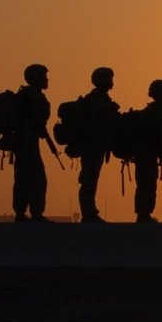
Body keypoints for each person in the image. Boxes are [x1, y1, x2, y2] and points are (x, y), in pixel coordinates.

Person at [73, 67, 119, 223]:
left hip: (97, 146)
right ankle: (88, 212)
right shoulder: (95, 101)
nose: (111, 81)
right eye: (108, 77)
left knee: (92, 178)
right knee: (89, 179)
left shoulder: (102, 99)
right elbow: (99, 124)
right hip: (92, 146)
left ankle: (90, 211)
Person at [128, 80, 162, 223]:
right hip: (147, 155)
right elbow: (156, 139)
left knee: (145, 184)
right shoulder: (155, 113)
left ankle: (143, 213)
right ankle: (143, 214)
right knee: (146, 184)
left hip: (145, 154)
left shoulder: (153, 111)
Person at [11, 64, 52, 222]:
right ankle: (32, 213)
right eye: (44, 76)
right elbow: (29, 120)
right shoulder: (29, 97)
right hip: (25, 143)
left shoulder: (31, 96)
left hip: (28, 142)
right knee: (35, 179)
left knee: (25, 178)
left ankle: (25, 212)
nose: (47, 79)